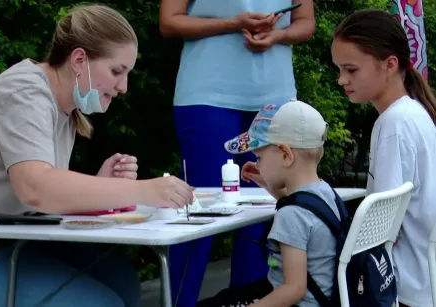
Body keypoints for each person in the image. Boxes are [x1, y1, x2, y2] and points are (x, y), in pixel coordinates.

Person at [0, 4, 193, 307]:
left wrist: (99, 187)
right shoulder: (26, 95)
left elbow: (36, 198)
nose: (123, 86)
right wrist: (142, 190)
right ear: (79, 59)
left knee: (124, 282)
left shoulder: (62, 107)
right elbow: (37, 189)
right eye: (117, 71)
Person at [158, 0, 315, 305]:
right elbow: (169, 21)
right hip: (207, 95)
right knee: (200, 209)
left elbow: (305, 21)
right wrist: (232, 24)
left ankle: (249, 301)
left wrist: (278, 35)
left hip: (274, 98)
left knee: (261, 218)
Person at [331, 9, 436, 307]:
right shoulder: (415, 112)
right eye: (339, 69)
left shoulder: (394, 124)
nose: (341, 80)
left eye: (351, 70)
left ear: (389, 64)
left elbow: (380, 231)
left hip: (404, 287)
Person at [197, 99, 337, 307]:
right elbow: (299, 205)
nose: (257, 163)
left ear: (286, 155)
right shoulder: (325, 192)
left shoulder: (291, 215)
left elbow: (294, 289)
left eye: (260, 157)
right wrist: (265, 181)